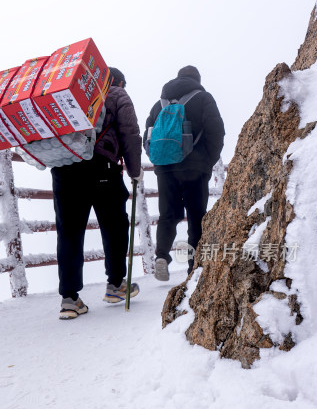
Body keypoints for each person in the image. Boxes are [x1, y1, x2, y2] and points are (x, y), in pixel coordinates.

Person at [52, 67, 143, 319]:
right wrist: (135, 171)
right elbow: (130, 135)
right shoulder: (117, 94)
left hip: (63, 170)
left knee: (68, 232)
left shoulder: (66, 94)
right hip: (102, 169)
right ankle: (115, 285)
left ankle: (69, 300)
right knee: (114, 227)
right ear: (119, 81)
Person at [144, 65, 225, 280]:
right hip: (195, 168)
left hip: (165, 168)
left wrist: (159, 161)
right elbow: (216, 131)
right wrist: (208, 161)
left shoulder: (158, 105)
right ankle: (193, 268)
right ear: (197, 80)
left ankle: (161, 255)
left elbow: (148, 138)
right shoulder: (203, 98)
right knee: (196, 218)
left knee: (168, 215)